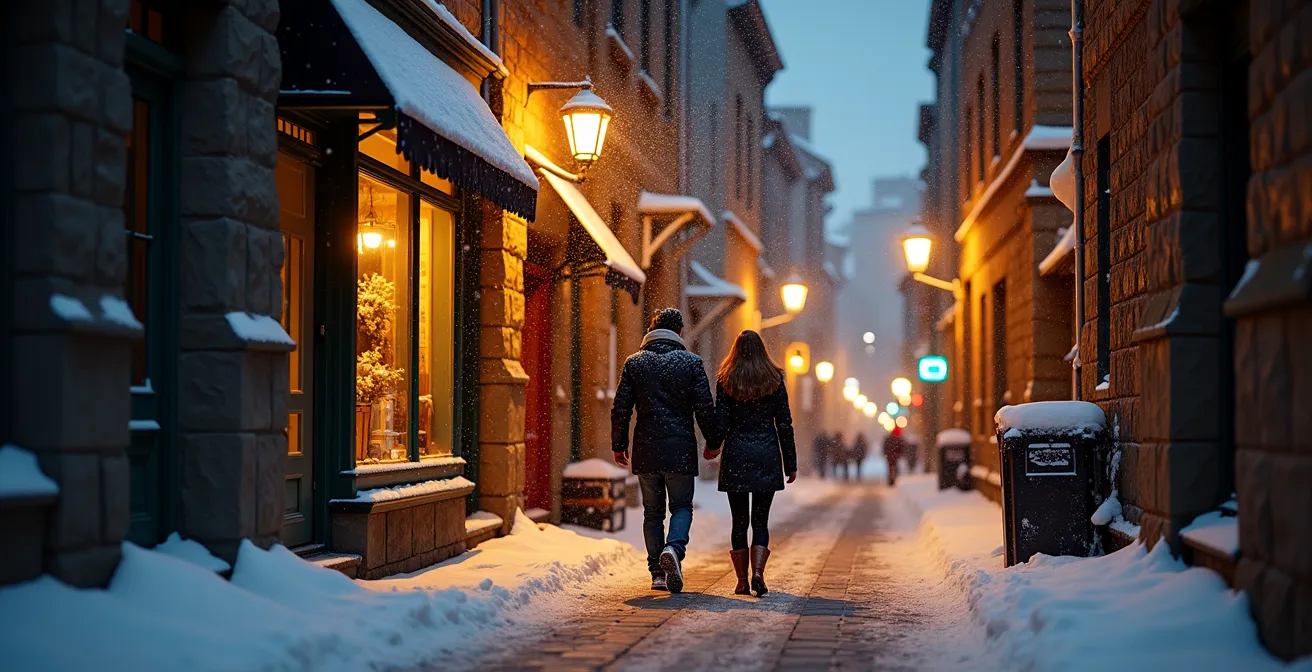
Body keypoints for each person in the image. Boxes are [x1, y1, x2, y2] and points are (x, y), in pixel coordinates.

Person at [612, 308, 717, 593]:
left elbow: (621, 408)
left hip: (646, 448)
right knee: (682, 506)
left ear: (651, 329)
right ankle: (673, 548)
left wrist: (619, 444)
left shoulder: (634, 363)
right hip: (680, 448)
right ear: (680, 333)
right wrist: (713, 441)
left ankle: (657, 573)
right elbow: (704, 408)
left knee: (652, 512)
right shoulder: (692, 363)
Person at [703, 330, 797, 597]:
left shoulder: (726, 379)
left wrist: (713, 445)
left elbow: (721, 421)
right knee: (760, 521)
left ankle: (742, 581)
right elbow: (784, 424)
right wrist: (790, 462)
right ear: (762, 350)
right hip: (766, 452)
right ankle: (758, 573)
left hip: (737, 455)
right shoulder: (775, 378)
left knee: (739, 521)